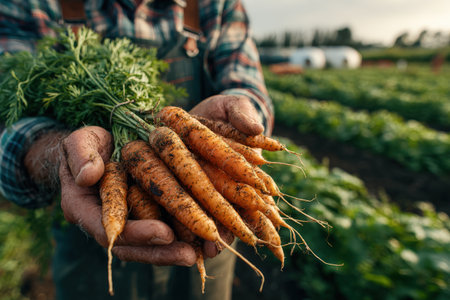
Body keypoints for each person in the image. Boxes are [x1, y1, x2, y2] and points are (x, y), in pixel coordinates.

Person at [0, 0, 274, 299]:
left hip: (211, 226)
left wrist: (238, 119)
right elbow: (7, 123)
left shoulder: (216, 4)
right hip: (93, 229)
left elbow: (245, 86)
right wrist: (60, 155)